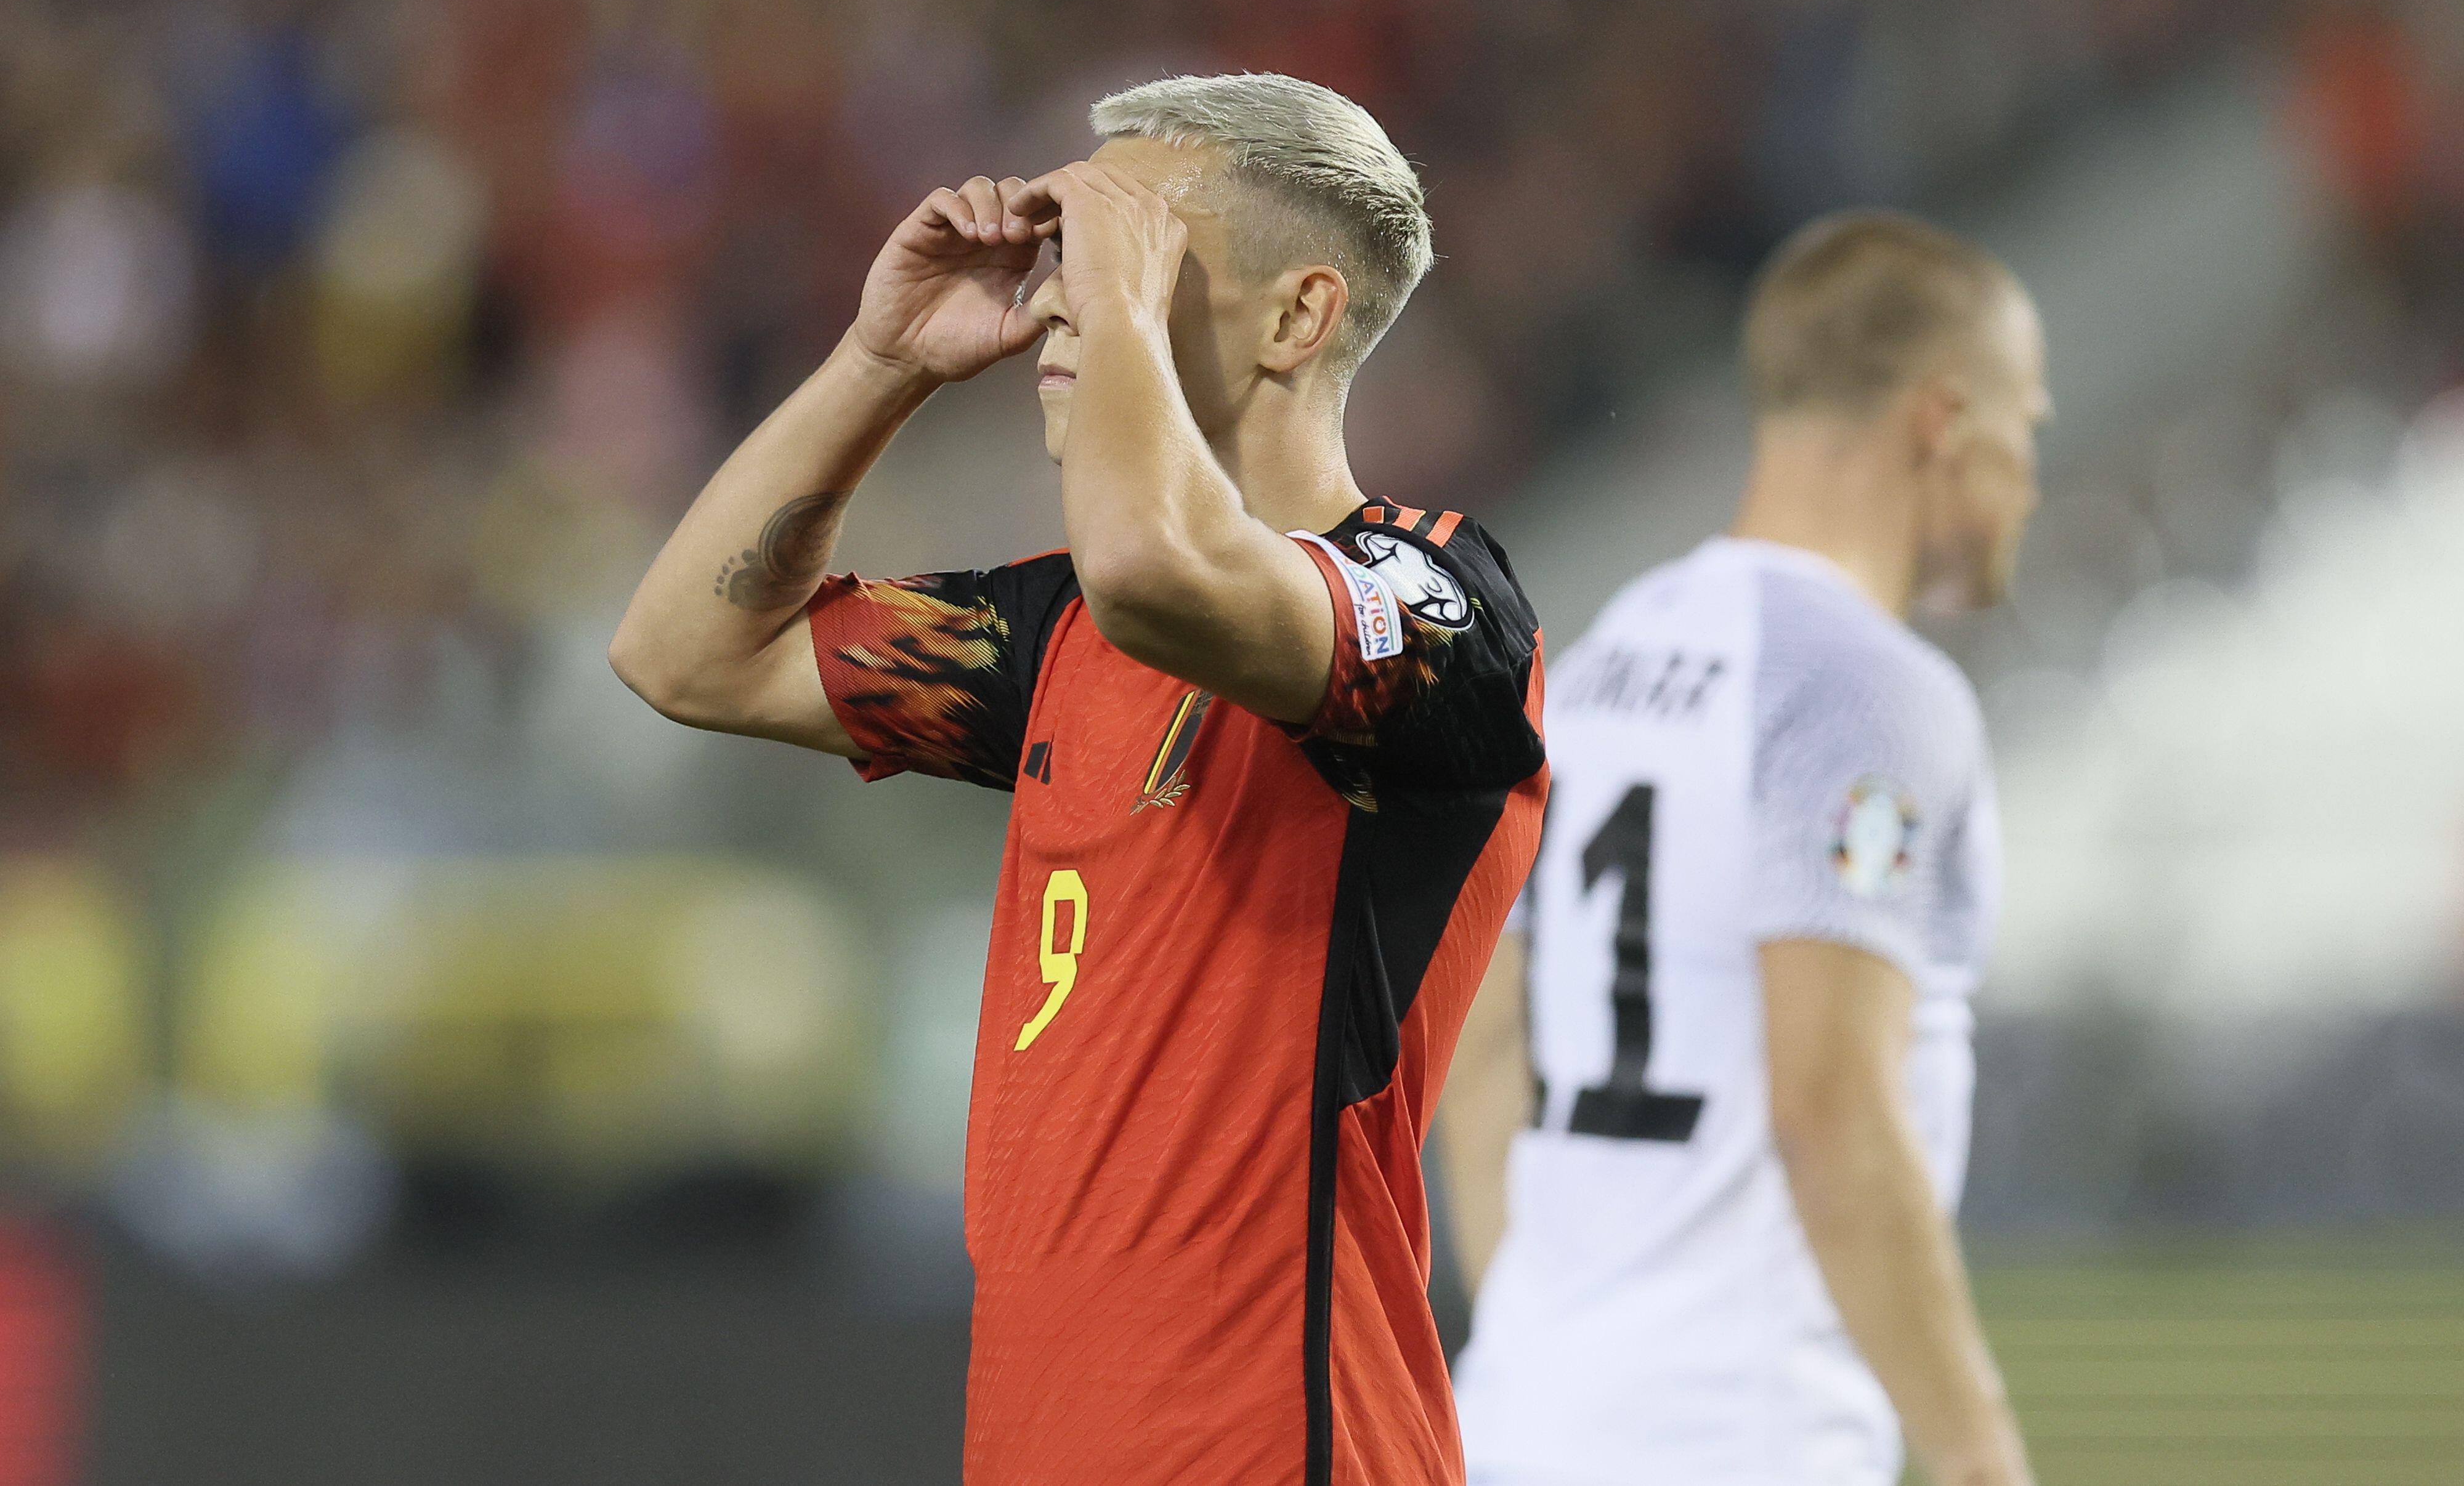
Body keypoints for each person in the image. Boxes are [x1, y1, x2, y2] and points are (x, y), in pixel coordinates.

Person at [611, 73, 1547, 1486]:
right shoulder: (1054, 641)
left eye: (1129, 245)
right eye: (1065, 251)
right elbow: (684, 649)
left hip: (1273, 1442)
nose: (1060, 297)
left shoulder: (1435, 604)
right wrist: (885, 360)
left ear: (1297, 316)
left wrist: (1113, 313)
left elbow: (1153, 565)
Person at [1441, 212, 2048, 1486]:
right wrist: (1979, 1452)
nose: (2027, 479)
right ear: (1941, 418)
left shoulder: (1595, 665)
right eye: (2024, 426)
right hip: (1741, 1431)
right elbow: (1831, 1108)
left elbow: (1479, 1050)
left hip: (1513, 1419)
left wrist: (1556, 1345)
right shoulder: (1862, 691)